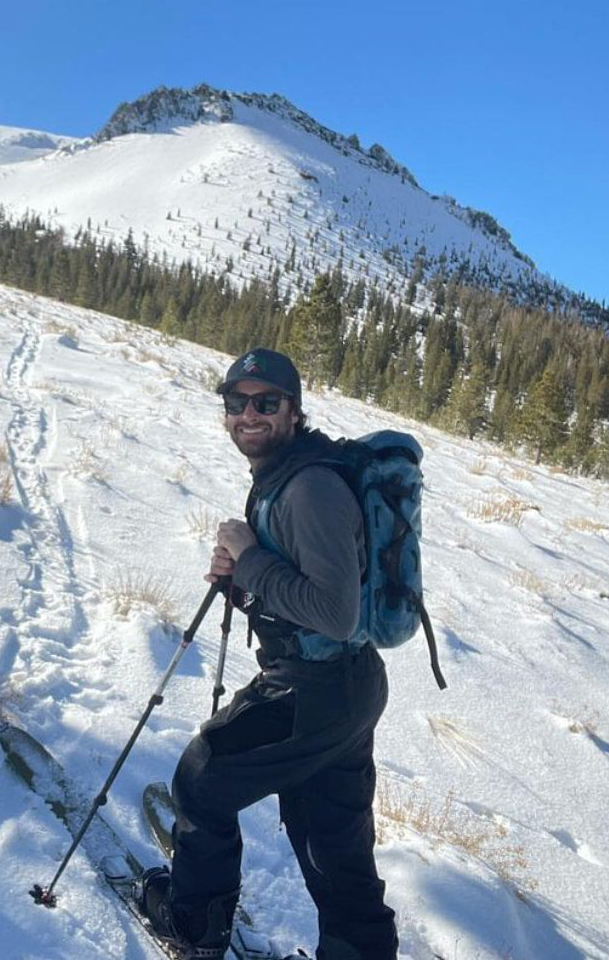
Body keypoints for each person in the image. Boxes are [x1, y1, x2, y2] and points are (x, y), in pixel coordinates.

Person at [140, 348, 398, 959]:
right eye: (236, 402)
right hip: (347, 690)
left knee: (202, 780)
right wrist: (245, 576)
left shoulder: (310, 488)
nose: (248, 415)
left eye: (266, 402)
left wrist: (249, 557)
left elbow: (336, 615)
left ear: (294, 409)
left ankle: (192, 928)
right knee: (333, 846)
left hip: (312, 690)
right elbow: (312, 586)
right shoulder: (292, 473)